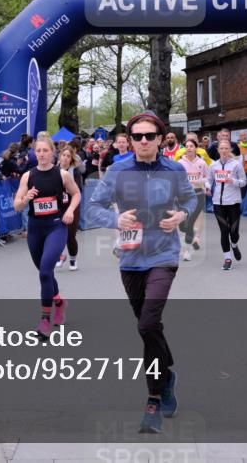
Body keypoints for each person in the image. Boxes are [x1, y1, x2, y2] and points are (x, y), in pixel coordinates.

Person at [89, 111, 197, 434]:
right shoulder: (117, 171)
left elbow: (192, 200)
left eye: (150, 136)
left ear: (161, 139)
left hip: (164, 255)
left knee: (149, 322)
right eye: (138, 136)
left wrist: (181, 216)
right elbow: (93, 207)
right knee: (146, 325)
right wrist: (114, 220)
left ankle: (153, 399)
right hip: (131, 258)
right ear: (130, 139)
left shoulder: (175, 170)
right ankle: (168, 374)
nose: (144, 141)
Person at [13, 133, 81, 336]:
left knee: (44, 271)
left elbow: (76, 193)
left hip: (56, 227)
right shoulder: (28, 176)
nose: (42, 154)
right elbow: (17, 205)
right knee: (46, 273)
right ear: (35, 153)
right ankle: (59, 302)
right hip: (35, 228)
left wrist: (69, 211)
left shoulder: (62, 175)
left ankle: (45, 321)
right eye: (38, 151)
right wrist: (26, 198)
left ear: (53, 153)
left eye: (45, 150)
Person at [208, 139, 246, 270]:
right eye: (221, 149)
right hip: (218, 202)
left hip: (233, 202)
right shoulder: (213, 166)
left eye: (226, 148)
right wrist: (207, 188)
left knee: (234, 232)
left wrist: (233, 181)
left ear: (230, 150)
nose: (224, 151)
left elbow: (244, 182)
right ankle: (227, 258)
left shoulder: (236, 165)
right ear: (218, 150)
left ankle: (234, 244)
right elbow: (208, 181)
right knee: (224, 231)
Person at [178, 138, 210, 261]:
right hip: (183, 196)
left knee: (190, 221)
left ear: (196, 148)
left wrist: (199, 182)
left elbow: (208, 178)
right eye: (187, 146)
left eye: (191, 146)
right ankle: (190, 229)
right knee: (182, 226)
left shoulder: (202, 163)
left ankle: (187, 251)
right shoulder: (180, 163)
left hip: (197, 195)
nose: (189, 148)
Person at [57, 146, 85, 271]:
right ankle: (60, 256)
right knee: (54, 233)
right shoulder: (54, 170)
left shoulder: (74, 171)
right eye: (64, 155)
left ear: (71, 159)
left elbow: (78, 190)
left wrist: (67, 187)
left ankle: (73, 260)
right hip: (58, 206)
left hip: (72, 206)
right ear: (60, 156)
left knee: (70, 235)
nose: (66, 158)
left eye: (68, 156)